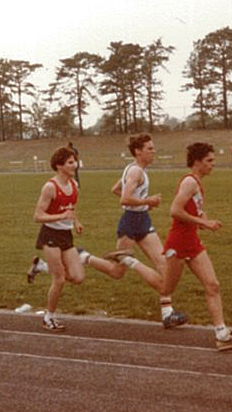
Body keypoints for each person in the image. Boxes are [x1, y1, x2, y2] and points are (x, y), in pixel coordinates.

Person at [29, 134, 188, 329]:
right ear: (138, 152)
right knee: (116, 271)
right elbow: (124, 198)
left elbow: (115, 189)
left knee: (164, 267)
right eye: (150, 148)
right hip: (128, 223)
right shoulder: (135, 172)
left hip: (142, 220)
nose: (154, 152)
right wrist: (146, 201)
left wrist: (141, 203)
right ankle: (85, 259)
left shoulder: (130, 172)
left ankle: (167, 314)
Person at [108, 142, 232, 351]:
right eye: (209, 161)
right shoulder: (189, 182)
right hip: (179, 242)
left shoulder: (197, 183)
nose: (213, 164)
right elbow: (175, 211)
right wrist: (204, 222)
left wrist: (202, 218)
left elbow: (193, 209)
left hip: (192, 241)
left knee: (212, 285)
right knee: (165, 288)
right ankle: (130, 261)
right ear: (198, 162)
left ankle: (222, 334)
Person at [31, 146, 99, 331]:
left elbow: (70, 208)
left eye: (75, 161)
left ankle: (41, 267)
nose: (74, 165)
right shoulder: (50, 187)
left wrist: (75, 221)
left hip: (66, 236)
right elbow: (37, 216)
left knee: (77, 277)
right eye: (70, 162)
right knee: (59, 279)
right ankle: (49, 317)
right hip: (50, 235)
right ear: (60, 166)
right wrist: (61, 217)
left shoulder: (74, 185)